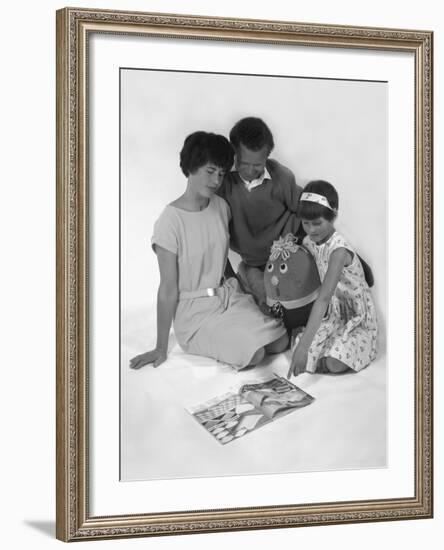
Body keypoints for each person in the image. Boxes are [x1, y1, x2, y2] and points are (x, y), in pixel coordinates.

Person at [129, 131, 288, 371]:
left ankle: (242, 328)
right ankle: (226, 338)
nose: (216, 180)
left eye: (222, 174)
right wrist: (161, 347)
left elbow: (221, 262)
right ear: (191, 168)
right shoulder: (169, 221)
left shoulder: (221, 207)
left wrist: (249, 295)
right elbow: (168, 288)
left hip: (229, 298)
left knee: (280, 341)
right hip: (195, 314)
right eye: (210, 171)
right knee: (254, 354)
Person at [287, 180, 378, 378]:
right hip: (334, 315)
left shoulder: (338, 252)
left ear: (334, 215)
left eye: (317, 223)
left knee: (333, 362)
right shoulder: (309, 241)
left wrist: (304, 348)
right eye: (306, 223)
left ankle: (332, 355)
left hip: (356, 317)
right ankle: (320, 349)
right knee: (301, 352)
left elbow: (324, 298)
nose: (311, 230)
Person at [217, 117, 303, 308]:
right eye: (243, 162)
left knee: (302, 295)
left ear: (267, 158)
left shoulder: (281, 176)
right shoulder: (221, 185)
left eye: (257, 165)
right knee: (270, 305)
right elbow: (214, 238)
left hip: (291, 249)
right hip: (255, 263)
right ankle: (246, 275)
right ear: (234, 154)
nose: (249, 170)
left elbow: (308, 210)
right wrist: (231, 280)